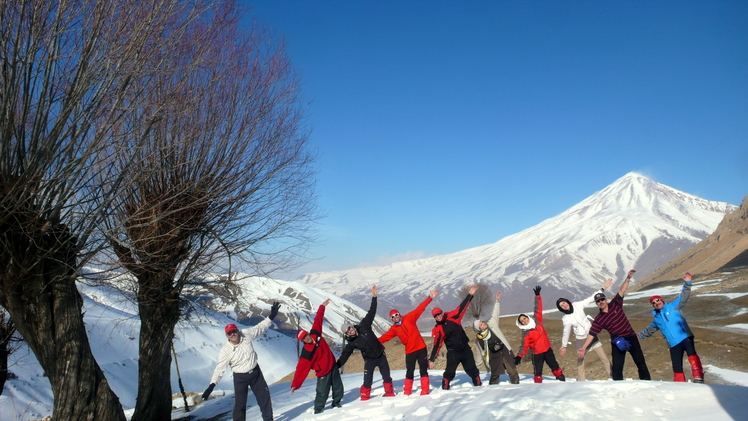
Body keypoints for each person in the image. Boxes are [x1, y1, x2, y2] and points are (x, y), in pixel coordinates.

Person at [202, 302, 280, 421]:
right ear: (226, 336)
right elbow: (220, 368)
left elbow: (259, 328)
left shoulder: (246, 335)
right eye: (229, 333)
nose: (233, 334)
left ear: (237, 330)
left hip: (255, 373)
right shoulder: (225, 351)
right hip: (240, 378)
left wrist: (271, 316)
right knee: (240, 405)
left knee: (264, 399)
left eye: (234, 331)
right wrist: (212, 385)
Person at [578, 269, 651, 381]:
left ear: (606, 300)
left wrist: (628, 278)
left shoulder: (615, 304)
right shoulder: (599, 319)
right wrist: (583, 348)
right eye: (598, 301)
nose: (601, 302)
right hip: (617, 341)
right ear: (597, 304)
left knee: (640, 362)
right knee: (617, 368)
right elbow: (592, 334)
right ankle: (618, 388)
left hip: (631, 337)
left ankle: (647, 383)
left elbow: (622, 290)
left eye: (602, 299)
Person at [639, 272, 704, 383]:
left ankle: (698, 377)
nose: (656, 303)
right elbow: (650, 330)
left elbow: (683, 296)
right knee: (676, 364)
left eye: (657, 300)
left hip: (685, 337)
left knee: (692, 356)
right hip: (673, 344)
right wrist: (639, 336)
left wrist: (688, 283)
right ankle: (679, 383)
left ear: (662, 300)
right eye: (653, 303)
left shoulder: (674, 306)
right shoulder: (657, 319)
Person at [337, 286, 395, 400]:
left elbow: (371, 312)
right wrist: (336, 366)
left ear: (351, 326)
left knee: (387, 376)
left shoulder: (364, 325)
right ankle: (364, 397)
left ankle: (389, 393)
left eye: (349, 328)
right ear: (346, 334)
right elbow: (345, 355)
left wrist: (374, 297)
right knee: (367, 380)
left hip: (380, 355)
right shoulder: (352, 343)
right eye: (347, 331)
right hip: (369, 360)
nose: (350, 330)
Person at [379, 289, 439, 395]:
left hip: (421, 348)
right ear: (391, 319)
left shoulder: (409, 318)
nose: (395, 317)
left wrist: (429, 298)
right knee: (409, 371)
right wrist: (372, 342)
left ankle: (425, 390)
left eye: (396, 314)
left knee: (423, 370)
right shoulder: (394, 329)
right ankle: (407, 391)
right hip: (410, 352)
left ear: (399, 314)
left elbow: (420, 309)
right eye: (392, 317)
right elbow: (384, 338)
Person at [291, 298, 343, 413]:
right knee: (322, 392)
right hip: (323, 372)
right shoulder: (307, 353)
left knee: (338, 386)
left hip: (332, 365)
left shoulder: (316, 334)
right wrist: (296, 384)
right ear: (302, 341)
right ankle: (318, 410)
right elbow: (301, 369)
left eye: (306, 335)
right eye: (304, 338)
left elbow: (318, 320)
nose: (307, 337)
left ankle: (337, 403)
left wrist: (322, 307)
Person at [556, 279, 613, 381]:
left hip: (591, 336)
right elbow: (566, 332)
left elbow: (591, 298)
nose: (564, 305)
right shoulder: (566, 318)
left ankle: (613, 377)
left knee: (604, 358)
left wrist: (603, 288)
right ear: (561, 308)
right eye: (562, 306)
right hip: (580, 340)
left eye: (564, 303)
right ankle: (581, 382)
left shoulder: (577, 305)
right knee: (580, 363)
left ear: (567, 302)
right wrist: (563, 346)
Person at [428, 285, 482, 390]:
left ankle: (478, 385)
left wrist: (470, 295)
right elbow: (437, 345)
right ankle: (445, 385)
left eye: (439, 314)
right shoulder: (438, 328)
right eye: (436, 316)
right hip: (453, 352)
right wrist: (432, 359)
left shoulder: (453, 316)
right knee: (450, 371)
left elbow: (462, 307)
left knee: (471, 368)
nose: (438, 317)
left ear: (442, 313)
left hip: (465, 348)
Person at [514, 286, 565, 383]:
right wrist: (519, 356)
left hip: (547, 349)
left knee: (554, 365)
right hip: (537, 354)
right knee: (538, 371)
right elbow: (524, 346)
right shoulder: (526, 333)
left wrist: (537, 296)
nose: (524, 321)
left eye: (525, 318)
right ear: (520, 324)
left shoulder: (537, 321)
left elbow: (538, 308)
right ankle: (538, 386)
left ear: (528, 317)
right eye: (522, 321)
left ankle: (561, 378)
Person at [472, 291, 520, 384]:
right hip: (493, 356)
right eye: (481, 324)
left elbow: (495, 314)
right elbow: (480, 353)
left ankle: (516, 386)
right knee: (495, 374)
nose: (484, 323)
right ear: (479, 329)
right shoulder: (479, 340)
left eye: (482, 322)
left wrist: (497, 301)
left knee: (512, 370)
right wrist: (476, 366)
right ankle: (492, 389)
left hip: (504, 350)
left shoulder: (492, 325)